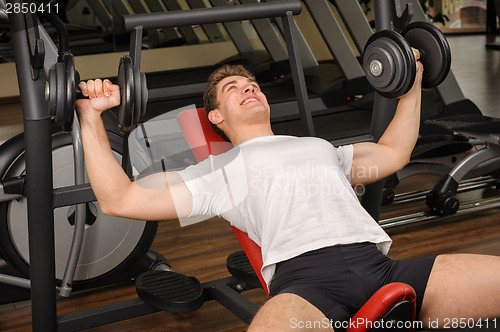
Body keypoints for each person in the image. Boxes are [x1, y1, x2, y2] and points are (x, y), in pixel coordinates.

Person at [76, 50, 500, 331]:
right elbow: (120, 199)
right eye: (233, 89)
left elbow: (392, 152)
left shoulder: (320, 149)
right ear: (216, 117)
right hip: (307, 286)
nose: (249, 88)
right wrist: (91, 116)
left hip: (380, 267)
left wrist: (411, 85)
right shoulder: (217, 171)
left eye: (252, 85)